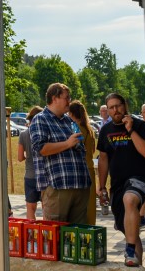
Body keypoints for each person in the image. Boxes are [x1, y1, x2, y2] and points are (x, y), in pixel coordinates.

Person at [97, 93, 145, 267]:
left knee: (129, 199)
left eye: (118, 106)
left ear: (125, 105)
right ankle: (135, 260)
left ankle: (129, 249)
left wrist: (131, 130)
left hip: (140, 178)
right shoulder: (106, 130)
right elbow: (103, 159)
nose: (116, 110)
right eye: (111, 107)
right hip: (117, 184)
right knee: (129, 229)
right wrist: (102, 187)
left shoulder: (140, 125)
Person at [29, 83, 92, 224]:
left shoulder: (68, 120)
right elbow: (41, 148)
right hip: (57, 186)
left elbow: (79, 147)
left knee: (78, 236)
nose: (69, 101)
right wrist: (67, 144)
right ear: (54, 98)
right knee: (55, 235)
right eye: (66, 98)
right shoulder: (40, 119)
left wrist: (77, 145)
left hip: (80, 184)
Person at [67, 100, 98, 226]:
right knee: (90, 206)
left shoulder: (76, 129)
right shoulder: (89, 129)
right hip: (90, 168)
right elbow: (93, 150)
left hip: (81, 170)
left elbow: (75, 149)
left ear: (72, 113)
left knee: (81, 207)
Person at [16, 105, 44, 220]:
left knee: (30, 208)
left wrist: (28, 155)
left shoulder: (23, 134)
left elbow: (19, 157)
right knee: (46, 208)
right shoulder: (44, 132)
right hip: (44, 174)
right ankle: (47, 235)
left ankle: (31, 235)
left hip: (30, 175)